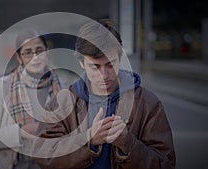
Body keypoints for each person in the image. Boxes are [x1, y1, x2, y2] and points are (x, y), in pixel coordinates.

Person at [34, 20, 176, 169]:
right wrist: (88, 138)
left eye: (110, 64)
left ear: (120, 59)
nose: (104, 75)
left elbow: (165, 163)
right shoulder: (61, 102)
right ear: (81, 63)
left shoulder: (147, 103)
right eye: (95, 67)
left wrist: (127, 142)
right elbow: (44, 155)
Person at [0, 29, 62, 169]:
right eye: (28, 52)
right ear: (19, 57)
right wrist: (20, 133)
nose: (35, 57)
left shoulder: (61, 86)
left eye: (39, 50)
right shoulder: (2, 87)